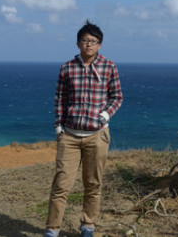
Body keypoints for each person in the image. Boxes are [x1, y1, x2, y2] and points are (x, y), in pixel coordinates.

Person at [43, 20, 123, 237]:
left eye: (94, 41)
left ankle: (88, 226)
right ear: (78, 43)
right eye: (85, 40)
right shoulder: (67, 68)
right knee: (61, 185)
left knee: (93, 185)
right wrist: (58, 127)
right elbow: (60, 98)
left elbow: (117, 96)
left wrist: (105, 115)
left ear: (100, 45)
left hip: (97, 136)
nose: (89, 44)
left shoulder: (109, 66)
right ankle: (52, 230)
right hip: (69, 135)